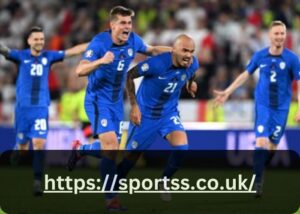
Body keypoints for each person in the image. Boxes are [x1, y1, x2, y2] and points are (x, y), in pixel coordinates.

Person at [68, 6, 171, 211]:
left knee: (112, 150)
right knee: (112, 147)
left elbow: (151, 49)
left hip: (117, 103)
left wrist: (174, 52)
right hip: (98, 100)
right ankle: (111, 200)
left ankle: (81, 149)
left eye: (129, 23)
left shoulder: (133, 40)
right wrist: (100, 61)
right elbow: (80, 70)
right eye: (123, 23)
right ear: (112, 25)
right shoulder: (100, 42)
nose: (127, 27)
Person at [213, 20, 300, 197]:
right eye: (276, 33)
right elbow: (246, 74)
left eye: (282, 33)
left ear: (285, 35)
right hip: (263, 105)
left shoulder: (292, 58)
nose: (279, 36)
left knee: (272, 146)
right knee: (261, 141)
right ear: (269, 35)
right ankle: (257, 182)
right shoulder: (260, 55)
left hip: (282, 108)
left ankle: (259, 167)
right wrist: (228, 91)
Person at [0, 26, 87, 196]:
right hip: (23, 110)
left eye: (41, 39)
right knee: (24, 149)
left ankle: (37, 181)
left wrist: (94, 44)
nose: (40, 42)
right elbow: (5, 51)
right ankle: (19, 146)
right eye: (36, 39)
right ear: (29, 41)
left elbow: (71, 52)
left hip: (40, 108)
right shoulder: (21, 56)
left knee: (39, 144)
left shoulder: (49, 56)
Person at [116, 34, 198, 201]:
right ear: (173, 50)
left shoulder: (192, 63)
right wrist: (134, 106)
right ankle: (115, 183)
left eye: (192, 51)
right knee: (132, 155)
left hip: (168, 114)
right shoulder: (156, 64)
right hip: (145, 116)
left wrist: (190, 84)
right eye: (185, 50)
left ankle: (164, 180)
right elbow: (129, 76)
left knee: (182, 147)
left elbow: (192, 73)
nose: (189, 55)